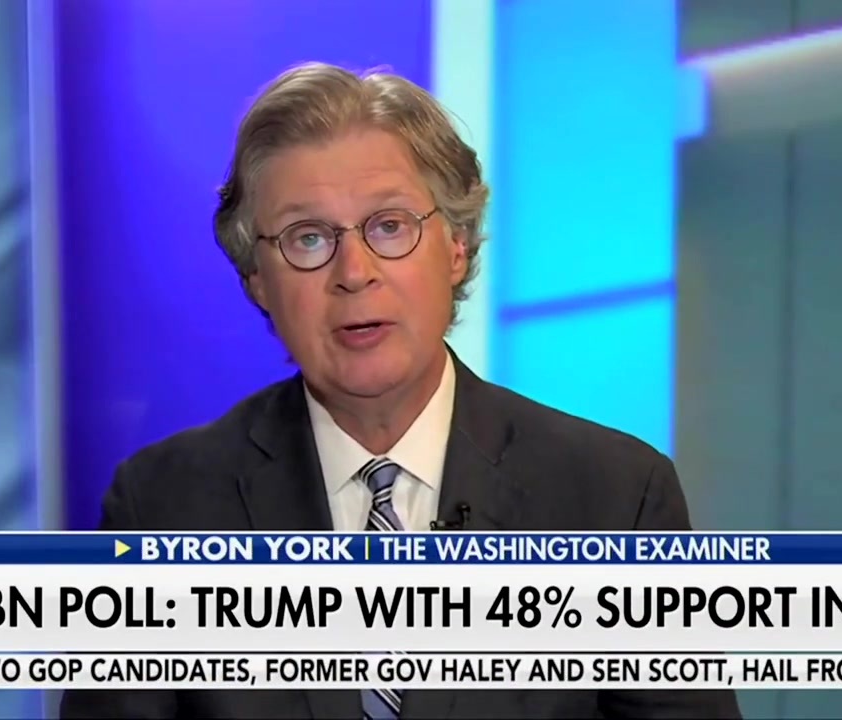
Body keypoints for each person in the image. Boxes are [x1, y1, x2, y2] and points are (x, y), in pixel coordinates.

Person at [60, 62, 741, 720]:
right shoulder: (163, 508)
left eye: (389, 226)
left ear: (457, 247)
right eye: (307, 238)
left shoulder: (615, 500)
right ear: (257, 280)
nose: (354, 272)